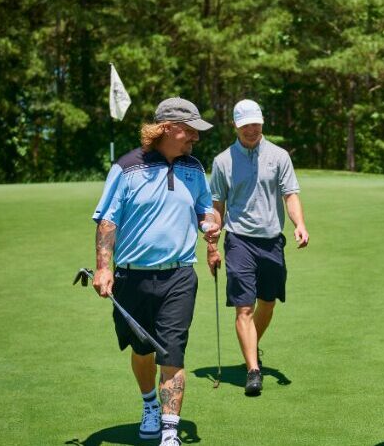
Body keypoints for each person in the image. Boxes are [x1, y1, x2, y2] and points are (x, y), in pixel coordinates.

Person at [91, 97, 218, 446]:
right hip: (133, 277)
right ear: (167, 129)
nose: (195, 137)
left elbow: (206, 210)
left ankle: (170, 431)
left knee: (172, 352)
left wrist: (210, 224)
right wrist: (103, 268)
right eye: (190, 130)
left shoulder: (194, 168)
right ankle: (150, 404)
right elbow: (108, 220)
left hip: (179, 276)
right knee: (142, 349)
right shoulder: (126, 167)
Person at [208, 99, 309, 396]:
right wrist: (212, 243)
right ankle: (253, 369)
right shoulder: (222, 161)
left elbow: (290, 194)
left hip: (272, 240)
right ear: (236, 127)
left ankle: (251, 345)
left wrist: (299, 224)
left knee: (268, 302)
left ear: (262, 122)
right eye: (245, 126)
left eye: (256, 124)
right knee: (244, 307)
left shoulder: (279, 156)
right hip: (238, 239)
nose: (251, 130)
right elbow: (218, 205)